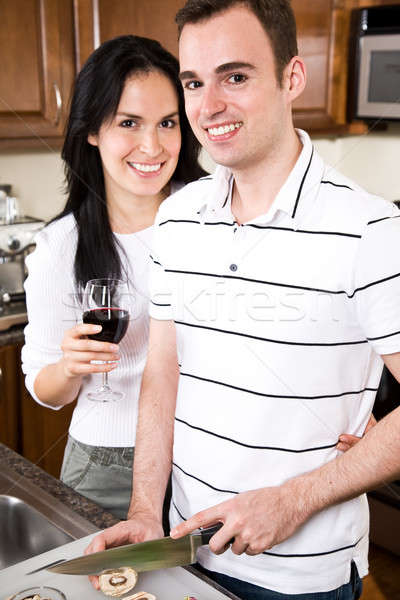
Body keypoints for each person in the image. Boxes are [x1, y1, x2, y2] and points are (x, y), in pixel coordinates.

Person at [87, 2, 400, 598]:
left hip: (299, 577)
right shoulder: (177, 217)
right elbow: (162, 372)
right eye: (194, 83)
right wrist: (145, 511)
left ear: (291, 78)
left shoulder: (370, 229)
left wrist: (293, 500)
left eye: (235, 77)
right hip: (181, 548)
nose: (207, 107)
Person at [21, 34, 204, 520]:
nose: (153, 145)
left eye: (167, 122)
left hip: (208, 455)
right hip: (107, 464)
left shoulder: (213, 213)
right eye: (129, 123)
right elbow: (44, 389)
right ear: (92, 131)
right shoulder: (63, 244)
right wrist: (69, 367)